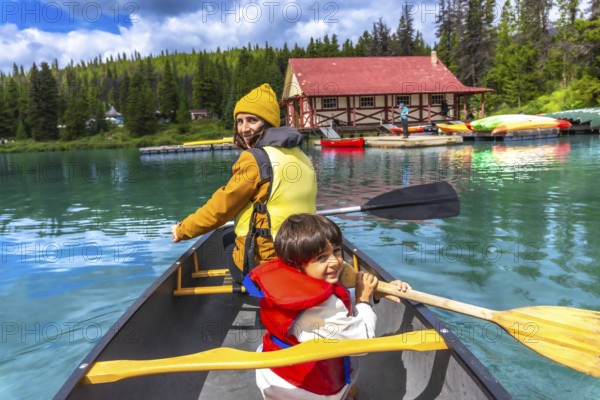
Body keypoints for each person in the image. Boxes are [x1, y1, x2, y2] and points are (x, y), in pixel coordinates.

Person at [243, 213, 411, 400]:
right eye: (322, 257)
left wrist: (373, 293)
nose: (335, 262)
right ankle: (347, 394)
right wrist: (364, 300)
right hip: (308, 388)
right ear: (296, 262)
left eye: (337, 251)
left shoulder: (284, 282)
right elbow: (362, 342)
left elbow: (335, 307)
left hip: (272, 371)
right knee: (351, 359)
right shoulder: (319, 305)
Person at [171, 84, 317, 283]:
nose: (244, 128)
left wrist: (182, 230)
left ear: (268, 123)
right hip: (306, 254)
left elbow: (220, 209)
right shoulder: (301, 155)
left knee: (227, 237)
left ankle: (252, 287)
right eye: (239, 121)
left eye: (252, 120)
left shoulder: (253, 159)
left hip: (272, 261)